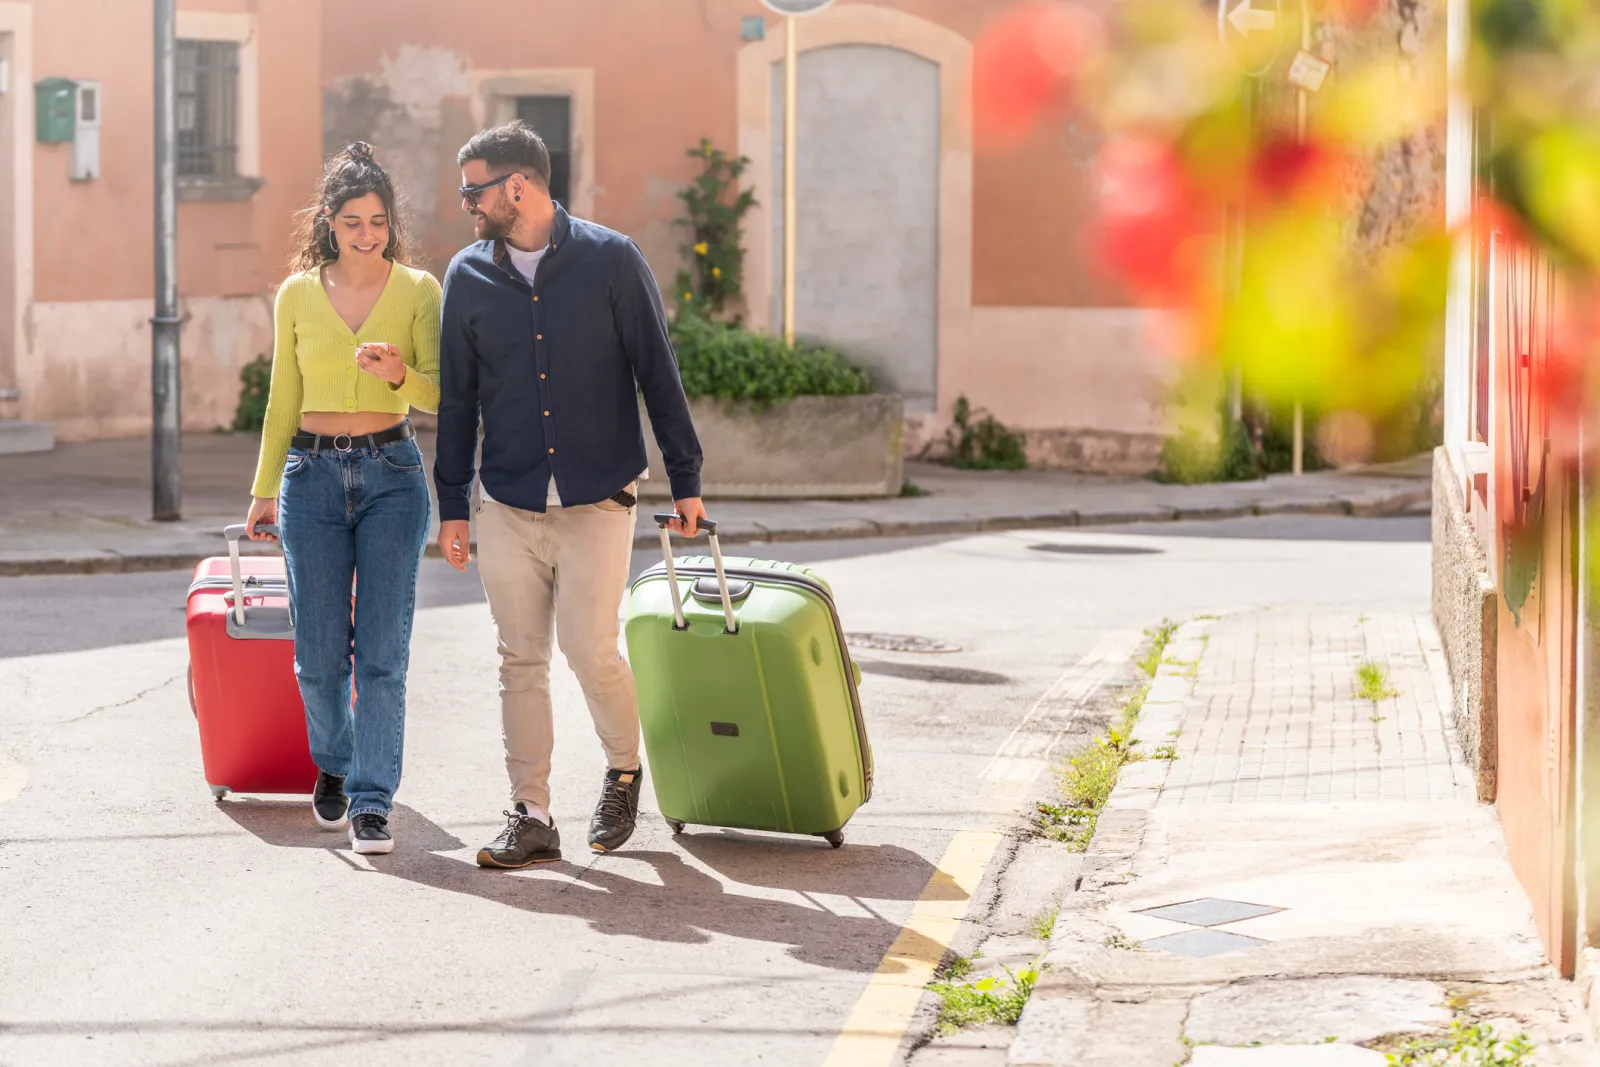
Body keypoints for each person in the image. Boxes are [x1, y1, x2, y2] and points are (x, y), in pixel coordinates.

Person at [434, 121, 706, 868]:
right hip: (508, 499)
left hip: (596, 496)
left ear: (517, 185)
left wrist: (686, 479)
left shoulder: (611, 260)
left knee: (591, 651)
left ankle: (622, 770)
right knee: (519, 658)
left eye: (474, 191)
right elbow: (458, 400)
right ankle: (532, 812)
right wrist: (451, 504)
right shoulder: (468, 275)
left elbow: (658, 371)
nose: (467, 205)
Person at [244, 141, 440, 856]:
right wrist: (264, 490)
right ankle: (335, 758)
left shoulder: (420, 290)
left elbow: (443, 393)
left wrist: (398, 375)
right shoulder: (296, 294)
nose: (367, 235)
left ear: (392, 222)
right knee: (319, 654)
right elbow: (282, 401)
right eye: (353, 221)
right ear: (330, 222)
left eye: (378, 221)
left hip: (392, 473)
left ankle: (371, 798)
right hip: (312, 476)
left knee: (383, 654)